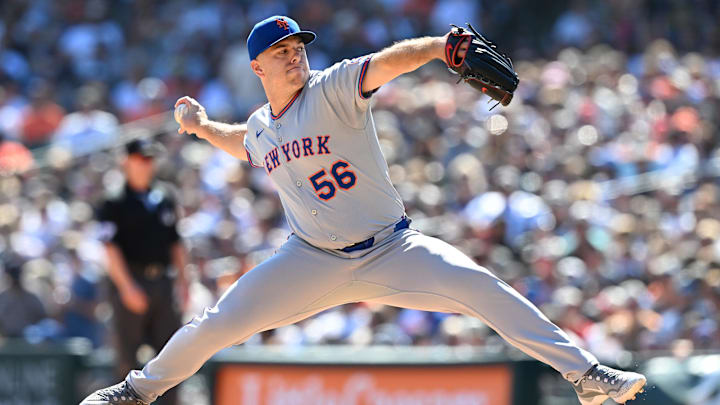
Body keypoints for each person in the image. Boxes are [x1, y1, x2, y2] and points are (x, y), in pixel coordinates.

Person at [81, 15, 646, 405]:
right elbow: (243, 141)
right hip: (309, 259)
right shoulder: (262, 126)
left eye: (299, 47)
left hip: (392, 247)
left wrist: (439, 49)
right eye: (282, 52)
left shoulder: (332, 88)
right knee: (218, 324)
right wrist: (202, 128)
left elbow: (390, 61)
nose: (295, 56)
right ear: (258, 68)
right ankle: (136, 390)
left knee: (482, 288)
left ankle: (585, 374)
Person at [93, 138, 190, 405]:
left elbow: (176, 244)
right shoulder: (112, 201)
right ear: (126, 161)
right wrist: (126, 287)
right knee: (126, 359)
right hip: (132, 281)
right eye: (141, 159)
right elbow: (109, 249)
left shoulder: (166, 196)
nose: (147, 165)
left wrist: (184, 284)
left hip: (163, 281)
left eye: (150, 159)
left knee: (172, 359)